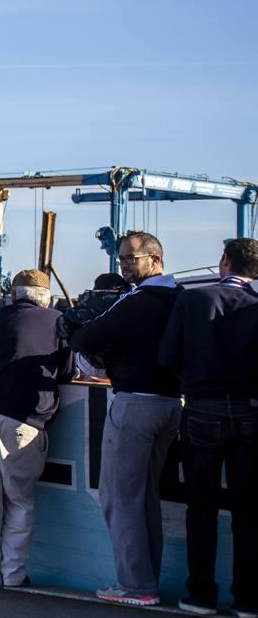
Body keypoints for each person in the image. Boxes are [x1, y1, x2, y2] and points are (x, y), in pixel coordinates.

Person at [62, 232, 182, 607]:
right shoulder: (182, 299)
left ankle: (136, 586)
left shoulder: (135, 302)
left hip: (135, 404)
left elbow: (84, 340)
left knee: (119, 496)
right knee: (146, 497)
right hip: (172, 405)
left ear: (155, 258)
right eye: (122, 260)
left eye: (131, 259)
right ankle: (146, 581)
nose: (124, 266)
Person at [160, 237, 258, 617]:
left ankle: (201, 594)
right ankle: (248, 599)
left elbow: (167, 356)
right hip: (251, 411)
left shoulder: (193, 299)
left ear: (225, 261)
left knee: (201, 506)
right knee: (248, 509)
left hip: (202, 407)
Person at [0, 269, 68, 590]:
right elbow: (65, 369)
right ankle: (12, 575)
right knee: (19, 501)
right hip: (22, 419)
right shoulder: (57, 321)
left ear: (13, 295)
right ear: (47, 297)